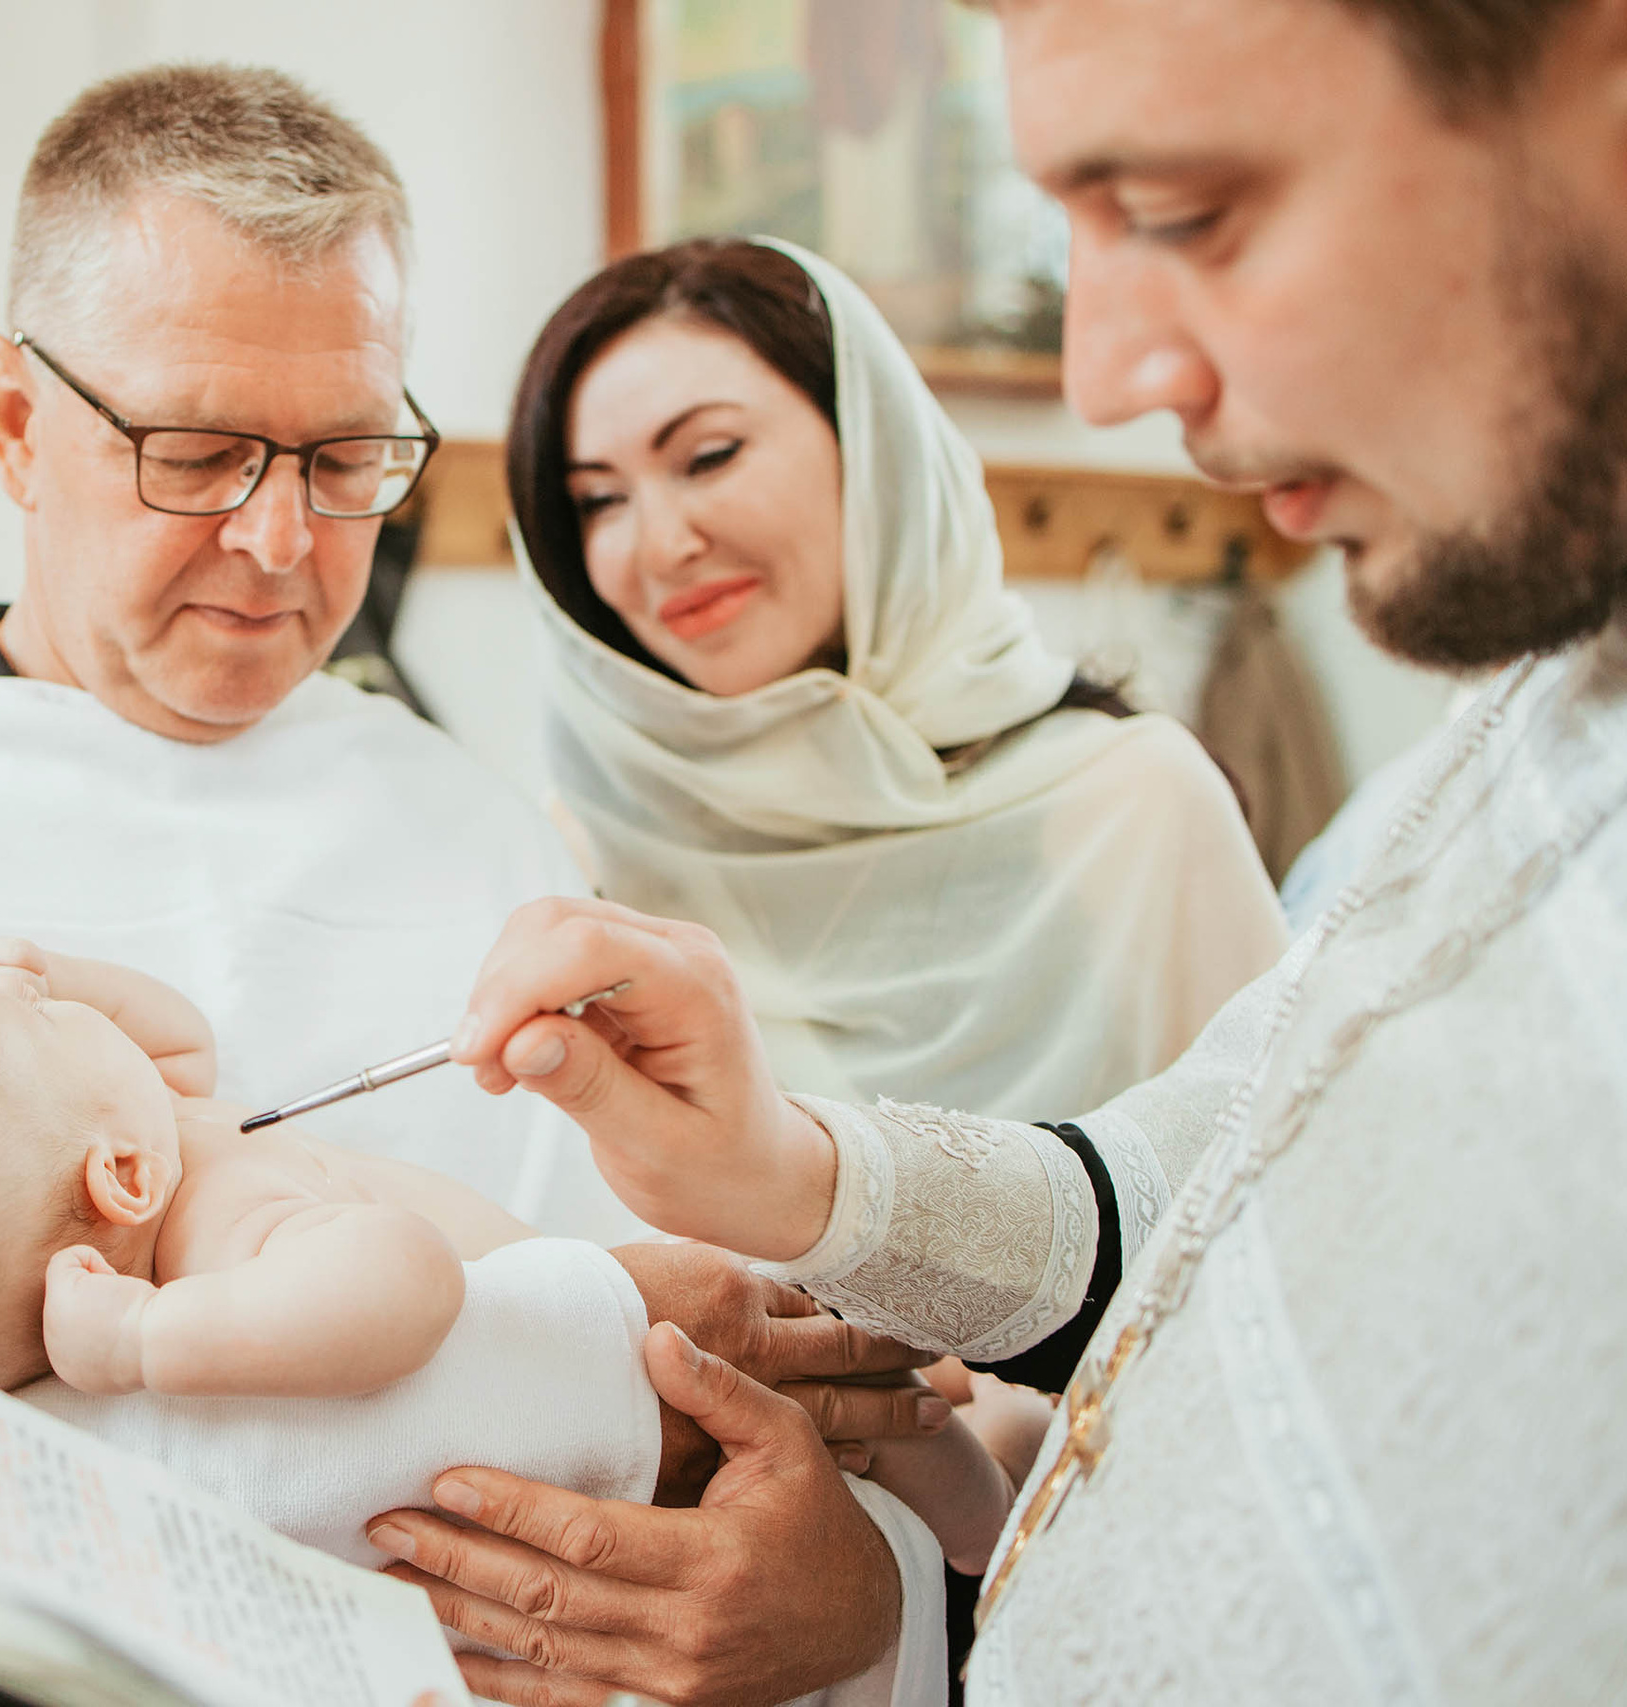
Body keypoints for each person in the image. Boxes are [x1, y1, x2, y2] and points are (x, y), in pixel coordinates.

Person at [0, 65, 950, 1707]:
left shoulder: (464, 821)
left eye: (349, 457)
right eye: (196, 452)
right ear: (10, 417)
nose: (282, 540)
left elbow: (702, 1410)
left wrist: (841, 1584)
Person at [366, 1, 1627, 1700]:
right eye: (591, 500)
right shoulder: (1497, 752)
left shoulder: (1135, 797)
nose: (1102, 374)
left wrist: (900, 1599)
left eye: (1183, 212)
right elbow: (1187, 1197)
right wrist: (794, 1175)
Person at [0, 944, 1024, 1574]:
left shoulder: (161, 1143)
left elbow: (178, 1046)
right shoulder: (230, 1242)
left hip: (662, 1346)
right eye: (56, 1023)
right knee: (884, 1414)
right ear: (118, 1177)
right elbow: (403, 1286)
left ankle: (984, 1500)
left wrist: (72, 986)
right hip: (670, 1376)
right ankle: (992, 1552)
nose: (64, 1007)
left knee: (906, 1405)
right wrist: (149, 1344)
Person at [507, 236, 1285, 1119]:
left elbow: (1282, 1187)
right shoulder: (589, 853)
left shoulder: (1129, 805)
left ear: (876, 454)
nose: (657, 546)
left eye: (710, 455)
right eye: (599, 501)